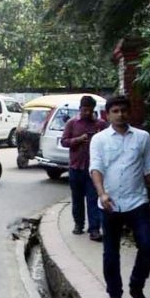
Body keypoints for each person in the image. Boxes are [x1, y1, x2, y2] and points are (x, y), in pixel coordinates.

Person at [89, 96, 150, 298]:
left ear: (130, 113)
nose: (120, 115)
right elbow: (96, 168)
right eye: (115, 111)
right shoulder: (99, 140)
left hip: (137, 201)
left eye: (124, 111)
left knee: (147, 247)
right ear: (108, 115)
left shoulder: (142, 137)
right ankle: (114, 294)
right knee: (111, 253)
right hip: (110, 204)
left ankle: (137, 287)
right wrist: (102, 194)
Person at [61, 96, 107, 241]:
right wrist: (78, 140)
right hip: (76, 167)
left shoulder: (100, 124)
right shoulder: (72, 123)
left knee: (93, 199)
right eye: (84, 110)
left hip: (93, 169)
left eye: (89, 110)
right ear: (80, 109)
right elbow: (64, 141)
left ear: (93, 110)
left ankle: (94, 229)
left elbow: (108, 141)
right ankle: (78, 225)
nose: (87, 113)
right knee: (77, 199)